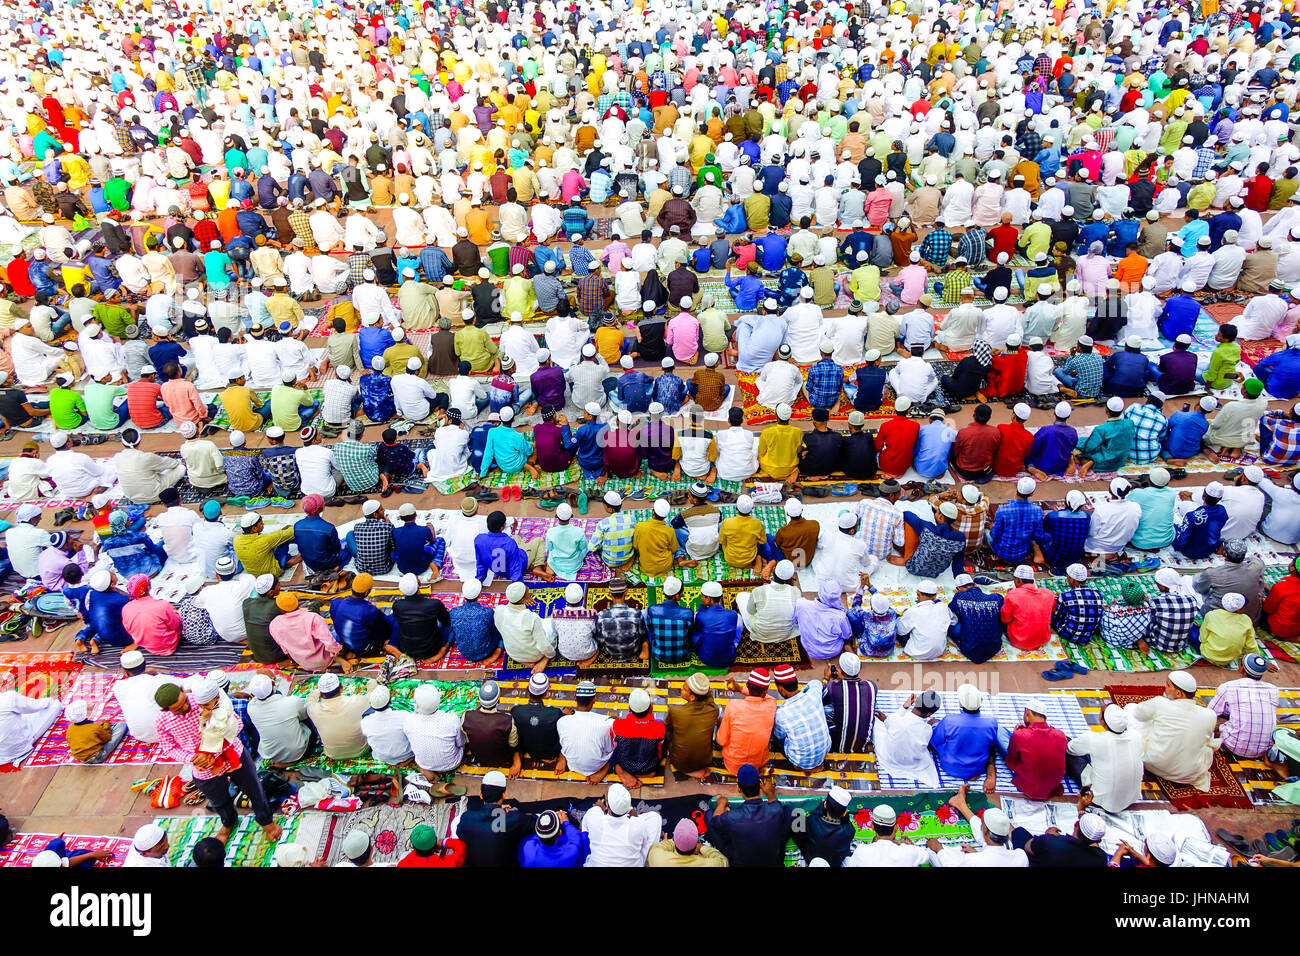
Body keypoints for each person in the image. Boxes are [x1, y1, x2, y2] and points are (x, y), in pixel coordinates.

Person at [153, 682, 281, 842]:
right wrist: (192, 758)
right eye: (178, 709)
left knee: (254, 790)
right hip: (203, 768)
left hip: (233, 753)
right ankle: (229, 821)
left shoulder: (203, 699)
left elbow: (237, 724)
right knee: (218, 800)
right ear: (166, 710)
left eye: (185, 701)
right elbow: (169, 748)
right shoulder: (161, 721)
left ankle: (266, 820)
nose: (186, 707)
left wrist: (213, 750)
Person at [1124, 671, 1220, 792]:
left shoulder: (1159, 702)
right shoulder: (1210, 715)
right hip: (1188, 774)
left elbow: (1138, 714)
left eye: (1168, 685)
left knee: (1130, 709)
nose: (1165, 686)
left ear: (1179, 693)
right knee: (1207, 736)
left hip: (1154, 764)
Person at [703, 763, 793, 867]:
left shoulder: (732, 817)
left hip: (739, 861)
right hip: (774, 861)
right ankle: (805, 844)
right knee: (790, 811)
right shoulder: (774, 810)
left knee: (709, 816)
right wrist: (770, 793)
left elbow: (715, 821)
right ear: (760, 785)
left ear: (739, 789)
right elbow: (775, 804)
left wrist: (722, 802)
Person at [451, 771, 535, 868]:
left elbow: (460, 833)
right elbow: (536, 823)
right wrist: (503, 814)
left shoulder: (467, 817)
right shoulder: (514, 818)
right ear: (504, 795)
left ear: (481, 795)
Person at [930, 683, 999, 785]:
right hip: (977, 768)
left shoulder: (949, 721)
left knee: (935, 735)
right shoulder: (991, 722)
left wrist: (935, 725)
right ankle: (990, 768)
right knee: (991, 747)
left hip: (950, 767)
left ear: (960, 704)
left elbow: (936, 740)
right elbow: (992, 744)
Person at [581, 782, 662, 867]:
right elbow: (643, 842)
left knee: (589, 824)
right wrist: (635, 817)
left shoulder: (595, 817)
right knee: (655, 818)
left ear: (607, 805)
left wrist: (598, 808)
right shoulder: (638, 824)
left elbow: (586, 827)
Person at [843, 802, 940, 867]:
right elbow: (925, 857)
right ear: (896, 828)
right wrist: (909, 846)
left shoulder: (862, 851)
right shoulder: (909, 852)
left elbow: (848, 863)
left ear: (872, 827)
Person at [647, 818, 728, 867]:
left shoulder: (659, 858)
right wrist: (702, 848)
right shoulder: (711, 864)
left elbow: (655, 848)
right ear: (698, 841)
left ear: (674, 839)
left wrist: (669, 842)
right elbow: (723, 861)